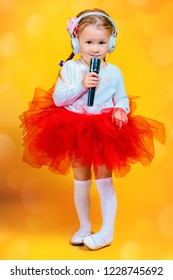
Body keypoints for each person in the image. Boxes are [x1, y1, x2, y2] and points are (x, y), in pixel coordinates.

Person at [19, 8, 165, 250]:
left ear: (111, 43)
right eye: (89, 42)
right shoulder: (70, 69)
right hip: (75, 128)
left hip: (104, 131)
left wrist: (121, 111)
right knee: (81, 179)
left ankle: (107, 232)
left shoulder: (114, 72)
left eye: (102, 42)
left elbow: (122, 99)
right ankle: (85, 226)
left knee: (105, 179)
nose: (95, 48)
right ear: (77, 41)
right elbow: (58, 98)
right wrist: (81, 85)